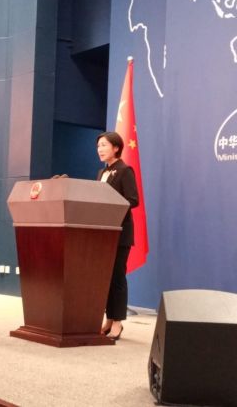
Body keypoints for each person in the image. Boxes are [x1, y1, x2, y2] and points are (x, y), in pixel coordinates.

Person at [96, 131, 139, 340]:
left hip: (120, 232)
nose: (100, 149)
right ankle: (109, 318)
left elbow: (133, 199)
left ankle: (118, 322)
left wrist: (111, 208)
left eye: (104, 145)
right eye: (98, 146)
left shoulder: (124, 170)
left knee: (118, 277)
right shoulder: (101, 172)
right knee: (106, 278)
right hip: (103, 232)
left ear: (116, 148)